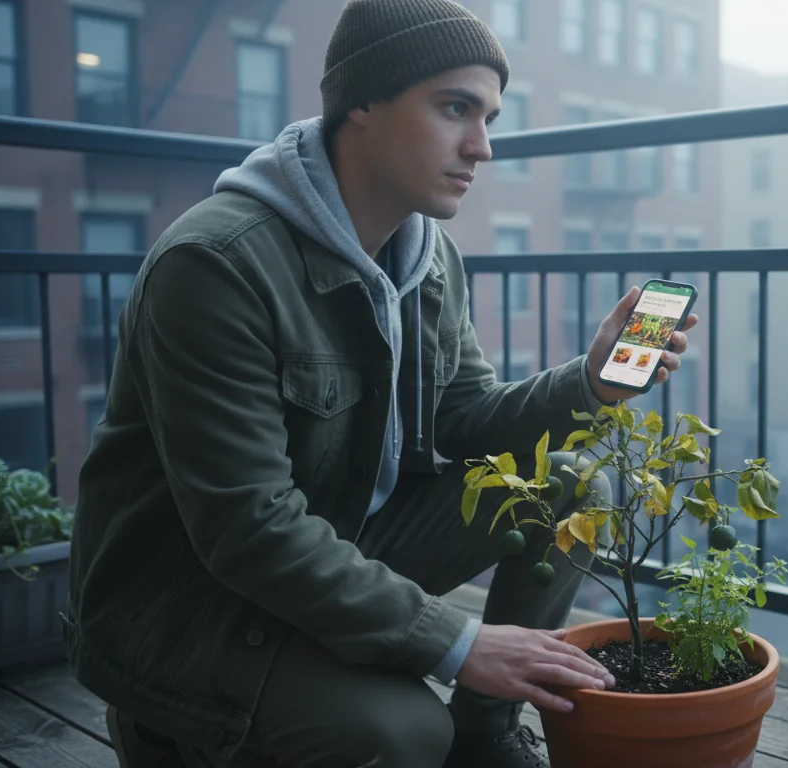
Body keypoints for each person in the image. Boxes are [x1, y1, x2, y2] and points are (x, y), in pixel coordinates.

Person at [62, 1, 698, 766]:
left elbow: (464, 420)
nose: (482, 146)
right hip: (192, 607)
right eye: (455, 108)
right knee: (401, 733)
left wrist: (590, 386)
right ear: (361, 100)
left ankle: (484, 737)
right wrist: (458, 642)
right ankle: (164, 729)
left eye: (490, 115)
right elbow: (247, 526)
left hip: (337, 544)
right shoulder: (217, 265)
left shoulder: (428, 257)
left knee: (570, 486)